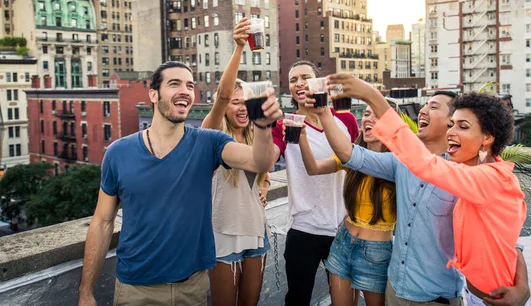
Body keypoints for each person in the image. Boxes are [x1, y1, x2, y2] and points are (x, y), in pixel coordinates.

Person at [77, 61, 282, 306]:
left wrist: (262, 124)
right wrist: (85, 291)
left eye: (190, 85)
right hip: (136, 289)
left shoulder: (209, 142)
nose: (185, 90)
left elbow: (260, 162)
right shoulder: (118, 153)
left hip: (192, 289)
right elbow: (102, 222)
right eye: (174, 84)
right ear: (153, 94)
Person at [326, 73, 530, 306]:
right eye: (453, 124)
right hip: (400, 288)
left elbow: (426, 164)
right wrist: (323, 113)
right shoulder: (464, 173)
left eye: (462, 126)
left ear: (487, 137)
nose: (453, 131)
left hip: (440, 297)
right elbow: (353, 156)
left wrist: (371, 95)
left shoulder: (486, 178)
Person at [271, 60, 359, 306]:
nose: (299, 83)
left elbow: (357, 165)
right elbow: (266, 160)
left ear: (319, 83)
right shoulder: (284, 125)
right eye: (293, 79)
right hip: (303, 229)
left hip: (342, 228)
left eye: (305, 77)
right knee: (298, 299)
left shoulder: (346, 120)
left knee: (344, 300)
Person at [292, 100, 396, 306]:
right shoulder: (353, 155)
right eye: (366, 114)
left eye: (377, 115)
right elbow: (313, 168)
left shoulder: (399, 164)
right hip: (342, 243)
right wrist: (302, 137)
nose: (369, 118)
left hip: (376, 252)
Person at [201, 18, 273, 306]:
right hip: (223, 235)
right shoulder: (214, 135)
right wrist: (239, 48)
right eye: (236, 102)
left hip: (257, 231)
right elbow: (222, 95)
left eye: (247, 102)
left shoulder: (258, 136)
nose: (241, 106)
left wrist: (265, 183)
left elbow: (264, 166)